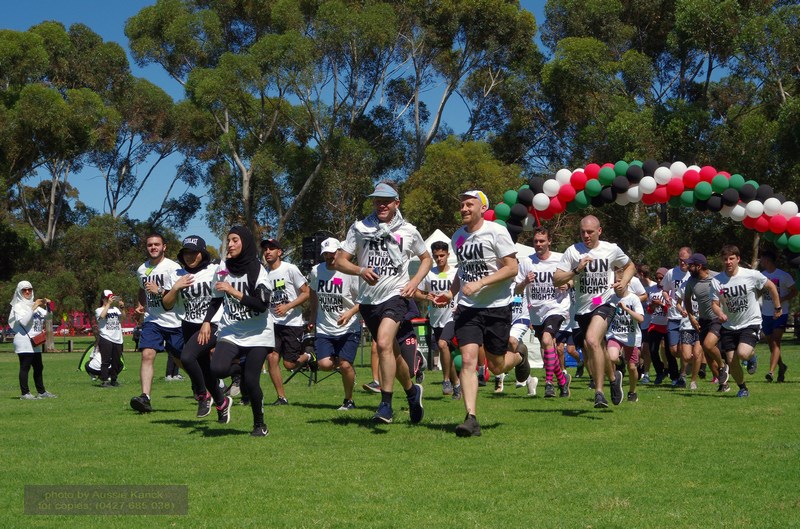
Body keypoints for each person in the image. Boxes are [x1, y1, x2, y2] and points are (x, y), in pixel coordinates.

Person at [335, 181, 430, 425]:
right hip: (368, 300)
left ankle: (385, 404)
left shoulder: (408, 230)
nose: (381, 205)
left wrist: (414, 282)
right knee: (393, 353)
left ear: (396, 203)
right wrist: (360, 269)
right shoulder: (359, 228)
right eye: (377, 200)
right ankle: (412, 392)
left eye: (386, 200)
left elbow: (426, 258)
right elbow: (339, 261)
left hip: (396, 295)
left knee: (385, 343)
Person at [435, 190, 527, 437]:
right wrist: (451, 293)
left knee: (497, 367)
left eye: (469, 204)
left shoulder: (496, 232)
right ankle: (471, 417)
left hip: (497, 307)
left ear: (482, 208)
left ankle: (519, 357)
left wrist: (481, 283)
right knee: (468, 360)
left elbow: (511, 268)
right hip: (468, 309)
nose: (463, 208)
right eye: (462, 205)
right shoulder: (457, 237)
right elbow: (463, 271)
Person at [554, 215, 636, 409]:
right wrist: (576, 270)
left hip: (605, 301)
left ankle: (599, 393)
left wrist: (623, 283)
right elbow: (556, 279)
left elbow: (630, 266)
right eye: (582, 232)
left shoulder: (611, 248)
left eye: (590, 232)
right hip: (582, 308)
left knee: (592, 340)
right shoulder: (572, 251)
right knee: (596, 348)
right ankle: (613, 377)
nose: (586, 235)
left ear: (599, 231)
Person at [206, 225, 274, 436]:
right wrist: (206, 322)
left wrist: (233, 291)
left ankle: (259, 424)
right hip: (231, 330)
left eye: (236, 240)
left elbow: (262, 304)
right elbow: (216, 299)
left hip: (258, 333)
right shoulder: (222, 268)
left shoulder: (257, 269)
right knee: (216, 369)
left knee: (252, 381)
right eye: (229, 240)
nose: (231, 245)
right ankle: (240, 374)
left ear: (245, 243)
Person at [162, 235, 231, 420]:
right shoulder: (177, 274)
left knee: (187, 356)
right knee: (205, 371)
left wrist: (207, 322)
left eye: (194, 253)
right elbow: (167, 304)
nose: (190, 256)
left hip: (213, 323)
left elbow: (221, 296)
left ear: (202, 253)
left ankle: (202, 395)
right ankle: (222, 403)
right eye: (186, 253)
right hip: (188, 325)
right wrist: (175, 288)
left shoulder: (215, 269)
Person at [711, 245, 781, 398]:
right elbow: (714, 304)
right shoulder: (717, 281)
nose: (728, 262)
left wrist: (778, 307)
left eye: (731, 258)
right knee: (731, 360)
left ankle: (751, 355)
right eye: (725, 259)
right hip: (729, 325)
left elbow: (771, 286)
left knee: (742, 353)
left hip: (750, 322)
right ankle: (743, 388)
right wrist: (720, 313)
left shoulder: (751, 275)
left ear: (738, 259)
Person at [130, 233, 184, 413]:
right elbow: (141, 289)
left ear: (164, 247)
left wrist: (159, 290)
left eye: (157, 245)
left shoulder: (173, 268)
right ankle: (145, 398)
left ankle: (206, 386)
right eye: (150, 245)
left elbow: (180, 293)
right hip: (153, 320)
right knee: (147, 354)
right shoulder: (141, 269)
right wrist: (140, 304)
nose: (153, 248)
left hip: (175, 321)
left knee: (183, 360)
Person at [516, 226, 571, 398]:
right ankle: (562, 381)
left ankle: (549, 384)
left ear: (549, 241)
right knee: (547, 346)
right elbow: (517, 290)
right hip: (537, 311)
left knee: (547, 340)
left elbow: (575, 279)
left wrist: (568, 284)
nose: (538, 244)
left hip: (556, 307)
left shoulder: (560, 259)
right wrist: (525, 281)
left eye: (542, 241)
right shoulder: (526, 262)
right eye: (535, 241)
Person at [308, 237, 362, 410]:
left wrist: (349, 313)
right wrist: (312, 317)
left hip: (349, 326)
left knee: (345, 364)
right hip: (324, 327)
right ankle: (349, 371)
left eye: (332, 253)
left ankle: (349, 400)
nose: (329, 257)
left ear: (340, 252)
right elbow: (313, 292)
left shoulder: (351, 273)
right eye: (326, 254)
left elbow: (363, 300)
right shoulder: (316, 271)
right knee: (324, 365)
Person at [262, 238, 311, 406]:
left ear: (279, 252)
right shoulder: (263, 273)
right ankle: (281, 397)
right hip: (272, 323)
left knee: (289, 364)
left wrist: (288, 306)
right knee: (271, 357)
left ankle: (308, 356)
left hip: (292, 323)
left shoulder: (290, 269)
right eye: (265, 249)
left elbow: (306, 293)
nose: (268, 251)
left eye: (271, 248)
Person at [419, 241, 460, 397]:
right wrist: (426, 296)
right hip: (436, 319)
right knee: (445, 352)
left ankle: (446, 381)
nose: (439, 259)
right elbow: (418, 292)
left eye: (442, 255)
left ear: (448, 255)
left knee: (443, 345)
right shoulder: (429, 274)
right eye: (436, 256)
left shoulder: (456, 273)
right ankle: (456, 384)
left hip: (452, 316)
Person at [683, 253, 729, 392]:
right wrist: (691, 317)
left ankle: (723, 367)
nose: (688, 267)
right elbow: (686, 300)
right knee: (708, 357)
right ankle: (723, 384)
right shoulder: (691, 281)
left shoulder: (717, 277)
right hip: (702, 320)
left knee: (708, 346)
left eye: (690, 265)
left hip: (717, 318)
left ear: (699, 266)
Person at [9, 281, 57, 399]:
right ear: (19, 292)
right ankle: (25, 393)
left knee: (39, 367)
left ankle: (42, 392)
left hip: (36, 341)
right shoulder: (18, 306)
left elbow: (49, 317)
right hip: (24, 341)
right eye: (24, 290)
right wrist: (34, 307)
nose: (27, 292)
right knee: (25, 367)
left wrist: (48, 305)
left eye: (29, 289)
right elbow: (24, 322)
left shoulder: (36, 306)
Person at [606, 271, 644, 402]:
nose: (617, 284)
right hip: (614, 334)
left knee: (632, 367)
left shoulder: (633, 299)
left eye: (620, 281)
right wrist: (600, 293)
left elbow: (641, 318)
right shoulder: (610, 297)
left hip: (631, 337)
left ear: (627, 282)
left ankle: (632, 392)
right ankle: (619, 363)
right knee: (611, 357)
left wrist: (627, 309)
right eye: (616, 281)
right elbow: (595, 302)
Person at [758, 250, 796, 382]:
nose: (760, 262)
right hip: (766, 314)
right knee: (771, 345)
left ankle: (771, 372)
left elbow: (794, 292)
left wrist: (782, 299)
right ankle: (781, 366)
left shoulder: (783, 275)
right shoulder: (761, 276)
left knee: (776, 342)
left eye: (762, 259)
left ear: (767, 260)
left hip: (781, 313)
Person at [661, 247, 692, 387]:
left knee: (685, 349)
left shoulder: (693, 274)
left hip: (688, 316)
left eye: (684, 260)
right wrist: (667, 298)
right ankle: (687, 361)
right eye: (680, 259)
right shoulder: (671, 273)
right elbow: (665, 290)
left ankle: (683, 375)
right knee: (674, 350)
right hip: (673, 315)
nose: (682, 262)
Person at [95, 289, 124, 387]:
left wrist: (122, 308)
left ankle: (114, 379)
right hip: (106, 337)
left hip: (118, 338)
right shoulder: (98, 310)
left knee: (116, 361)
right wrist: (108, 305)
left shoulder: (116, 309)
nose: (110, 300)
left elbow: (123, 317)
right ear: (103, 299)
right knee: (105, 360)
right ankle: (105, 380)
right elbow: (102, 316)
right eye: (108, 298)